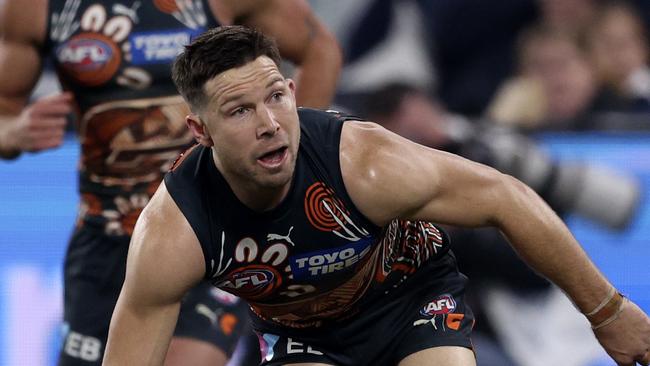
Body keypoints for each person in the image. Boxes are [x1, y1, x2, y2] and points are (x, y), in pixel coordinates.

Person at [104, 25, 650, 366]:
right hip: (304, 335)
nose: (270, 124)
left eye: (276, 97)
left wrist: (607, 312)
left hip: (411, 299)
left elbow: (505, 197)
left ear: (293, 93)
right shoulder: (175, 230)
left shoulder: (364, 162)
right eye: (240, 111)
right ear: (200, 131)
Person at [0, 1, 342, 365]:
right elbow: (4, 111)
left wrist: (289, 154)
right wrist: (15, 132)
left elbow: (318, 49)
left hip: (211, 229)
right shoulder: (36, 7)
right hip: (107, 238)